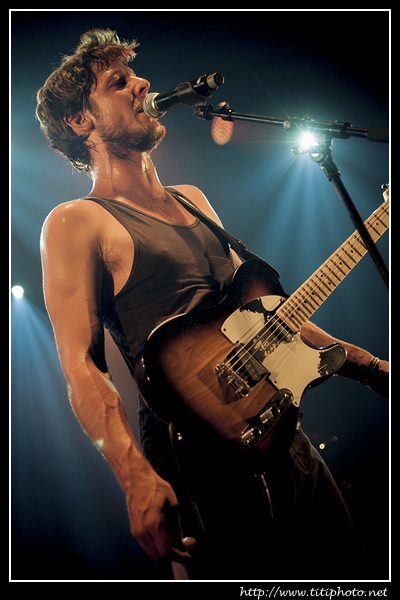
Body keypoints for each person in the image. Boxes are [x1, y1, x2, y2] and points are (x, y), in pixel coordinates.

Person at [36, 29, 389, 580]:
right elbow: (80, 364)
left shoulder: (193, 199)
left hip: (278, 429)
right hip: (194, 454)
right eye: (119, 82)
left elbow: (262, 319)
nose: (142, 84)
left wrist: (368, 366)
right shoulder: (75, 221)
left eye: (136, 75)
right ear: (80, 121)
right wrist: (133, 475)